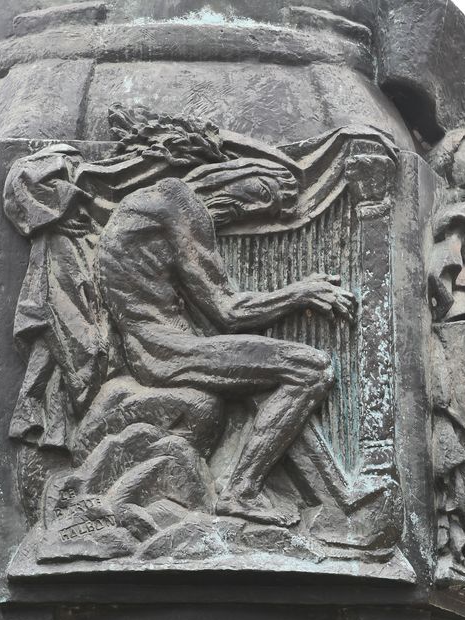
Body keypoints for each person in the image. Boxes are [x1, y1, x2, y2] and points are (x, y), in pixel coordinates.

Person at [96, 159, 355, 526]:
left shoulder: (154, 200)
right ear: (239, 172)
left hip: (153, 347)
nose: (249, 210)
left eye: (263, 210)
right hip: (166, 350)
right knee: (312, 369)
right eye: (260, 193)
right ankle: (241, 490)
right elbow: (229, 311)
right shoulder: (181, 205)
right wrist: (301, 293)